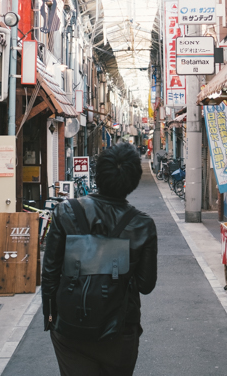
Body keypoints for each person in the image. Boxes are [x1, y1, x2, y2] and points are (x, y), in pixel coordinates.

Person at [41, 142, 158, 376]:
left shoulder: (66, 212)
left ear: (98, 173)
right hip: (120, 329)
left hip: (70, 328)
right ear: (133, 181)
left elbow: (50, 273)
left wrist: (51, 318)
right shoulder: (142, 225)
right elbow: (146, 285)